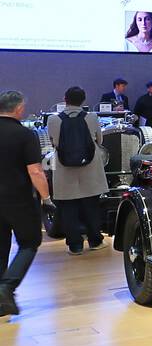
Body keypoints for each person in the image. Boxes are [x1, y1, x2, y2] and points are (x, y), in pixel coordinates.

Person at [0, 90, 52, 317]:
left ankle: (1, 301)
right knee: (30, 242)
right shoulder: (25, 135)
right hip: (18, 199)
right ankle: (7, 287)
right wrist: (47, 198)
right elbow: (36, 171)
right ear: (19, 108)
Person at [47, 87, 109, 256]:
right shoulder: (92, 117)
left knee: (68, 209)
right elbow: (99, 139)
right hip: (90, 168)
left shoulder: (53, 120)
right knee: (91, 206)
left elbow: (53, 143)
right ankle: (95, 241)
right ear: (83, 100)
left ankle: (75, 246)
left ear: (64, 99)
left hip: (64, 169)